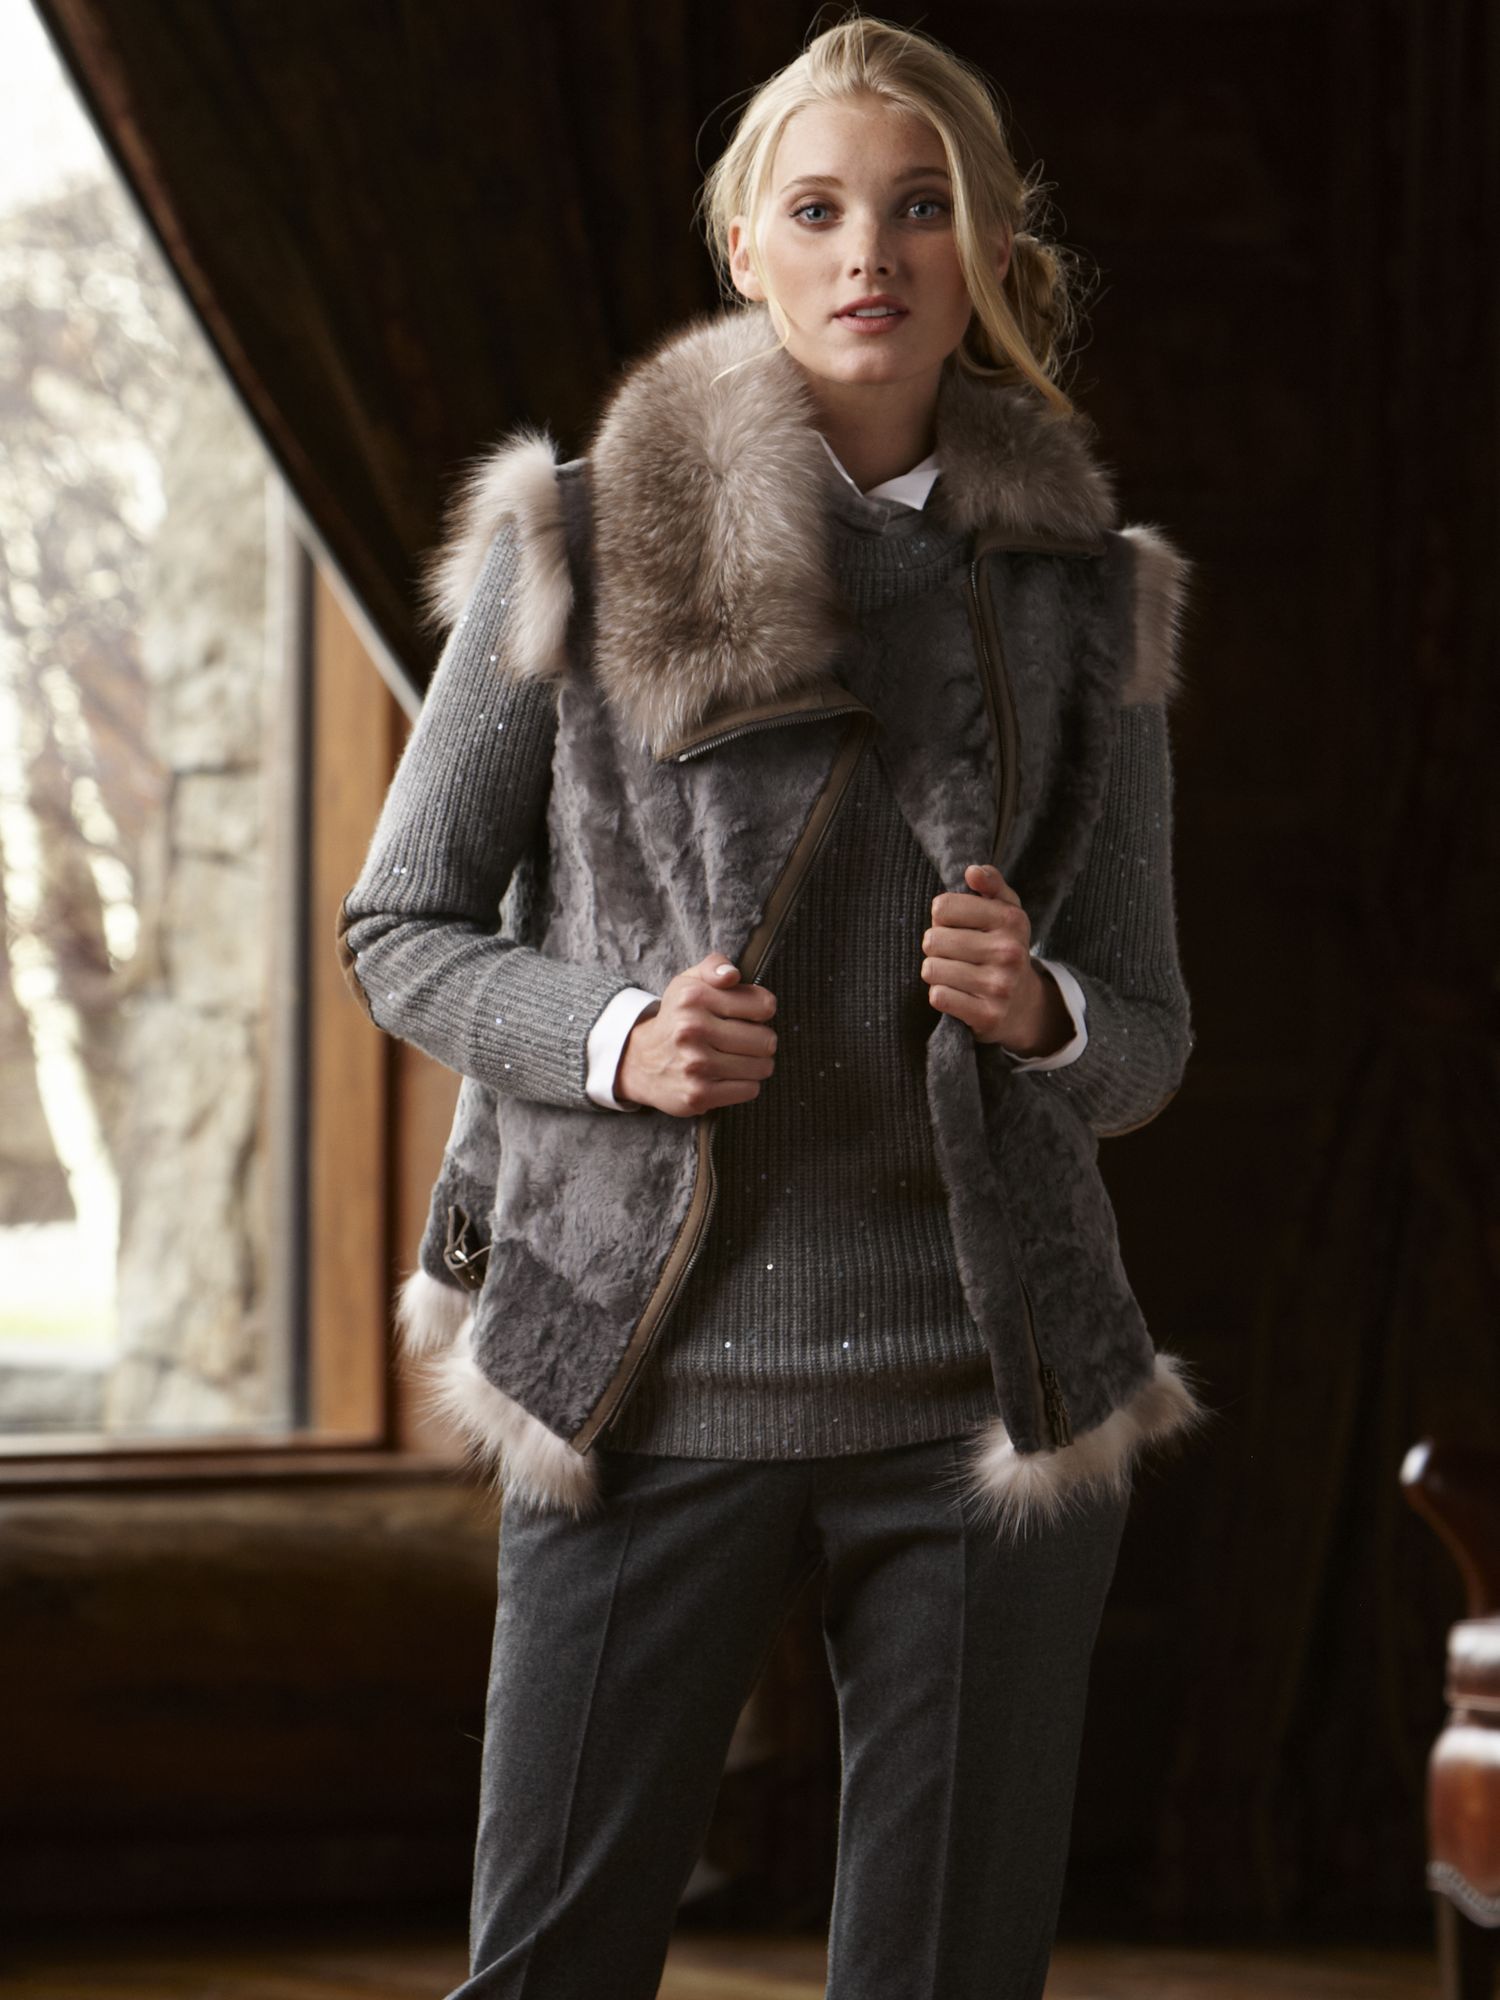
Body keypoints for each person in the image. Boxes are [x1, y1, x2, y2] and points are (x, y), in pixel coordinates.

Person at [336, 13, 1209, 1997]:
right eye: (816, 209)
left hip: (991, 1398)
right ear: (745, 247)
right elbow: (400, 925)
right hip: (641, 1371)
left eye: (923, 206)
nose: (869, 253)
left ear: (994, 248)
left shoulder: (1087, 595)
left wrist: (1047, 1015)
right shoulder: (570, 542)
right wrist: (613, 1041)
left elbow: (1150, 1034)